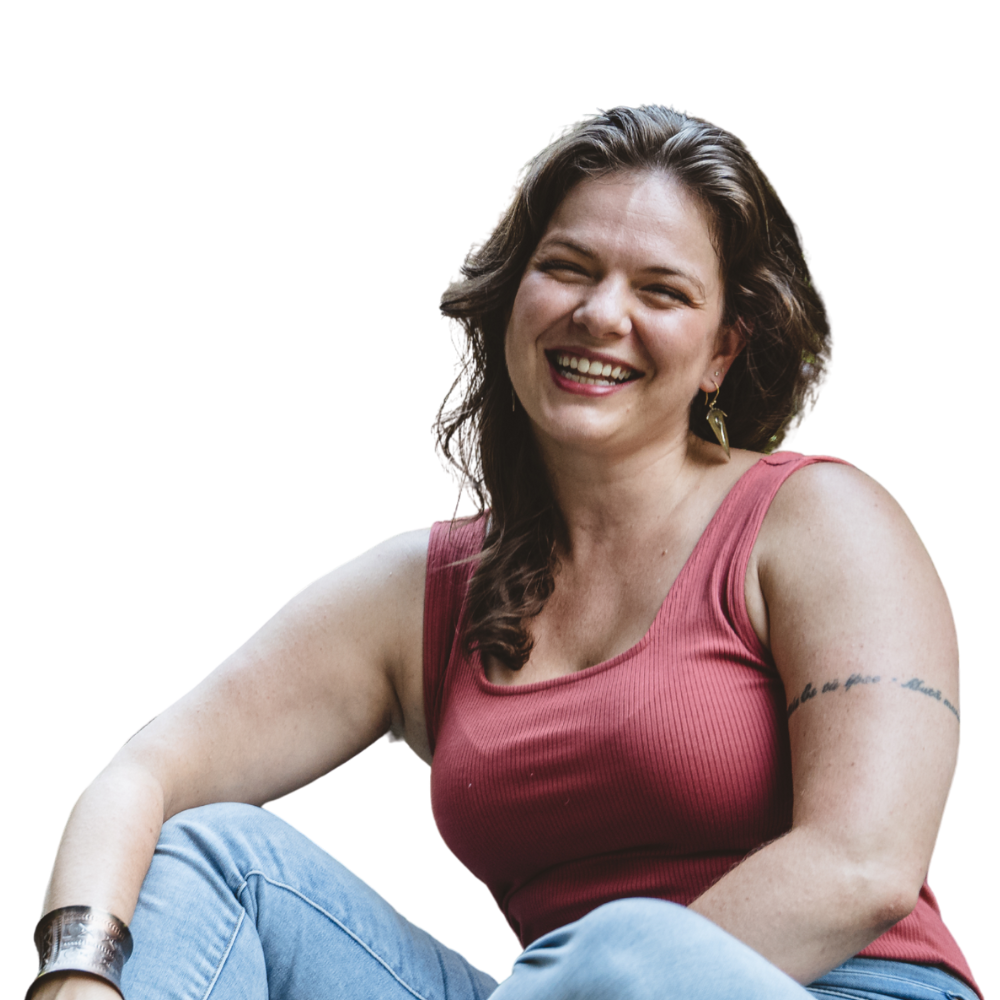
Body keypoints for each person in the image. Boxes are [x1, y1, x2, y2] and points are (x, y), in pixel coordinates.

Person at [27, 104, 982, 1000]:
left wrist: (607, 973)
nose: (602, 313)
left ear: (721, 352)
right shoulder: (427, 590)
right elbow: (139, 778)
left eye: (661, 291)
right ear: (514, 292)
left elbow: (864, 865)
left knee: (620, 948)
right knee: (215, 858)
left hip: (835, 986)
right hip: (548, 990)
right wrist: (78, 973)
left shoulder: (816, 518)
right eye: (568, 268)